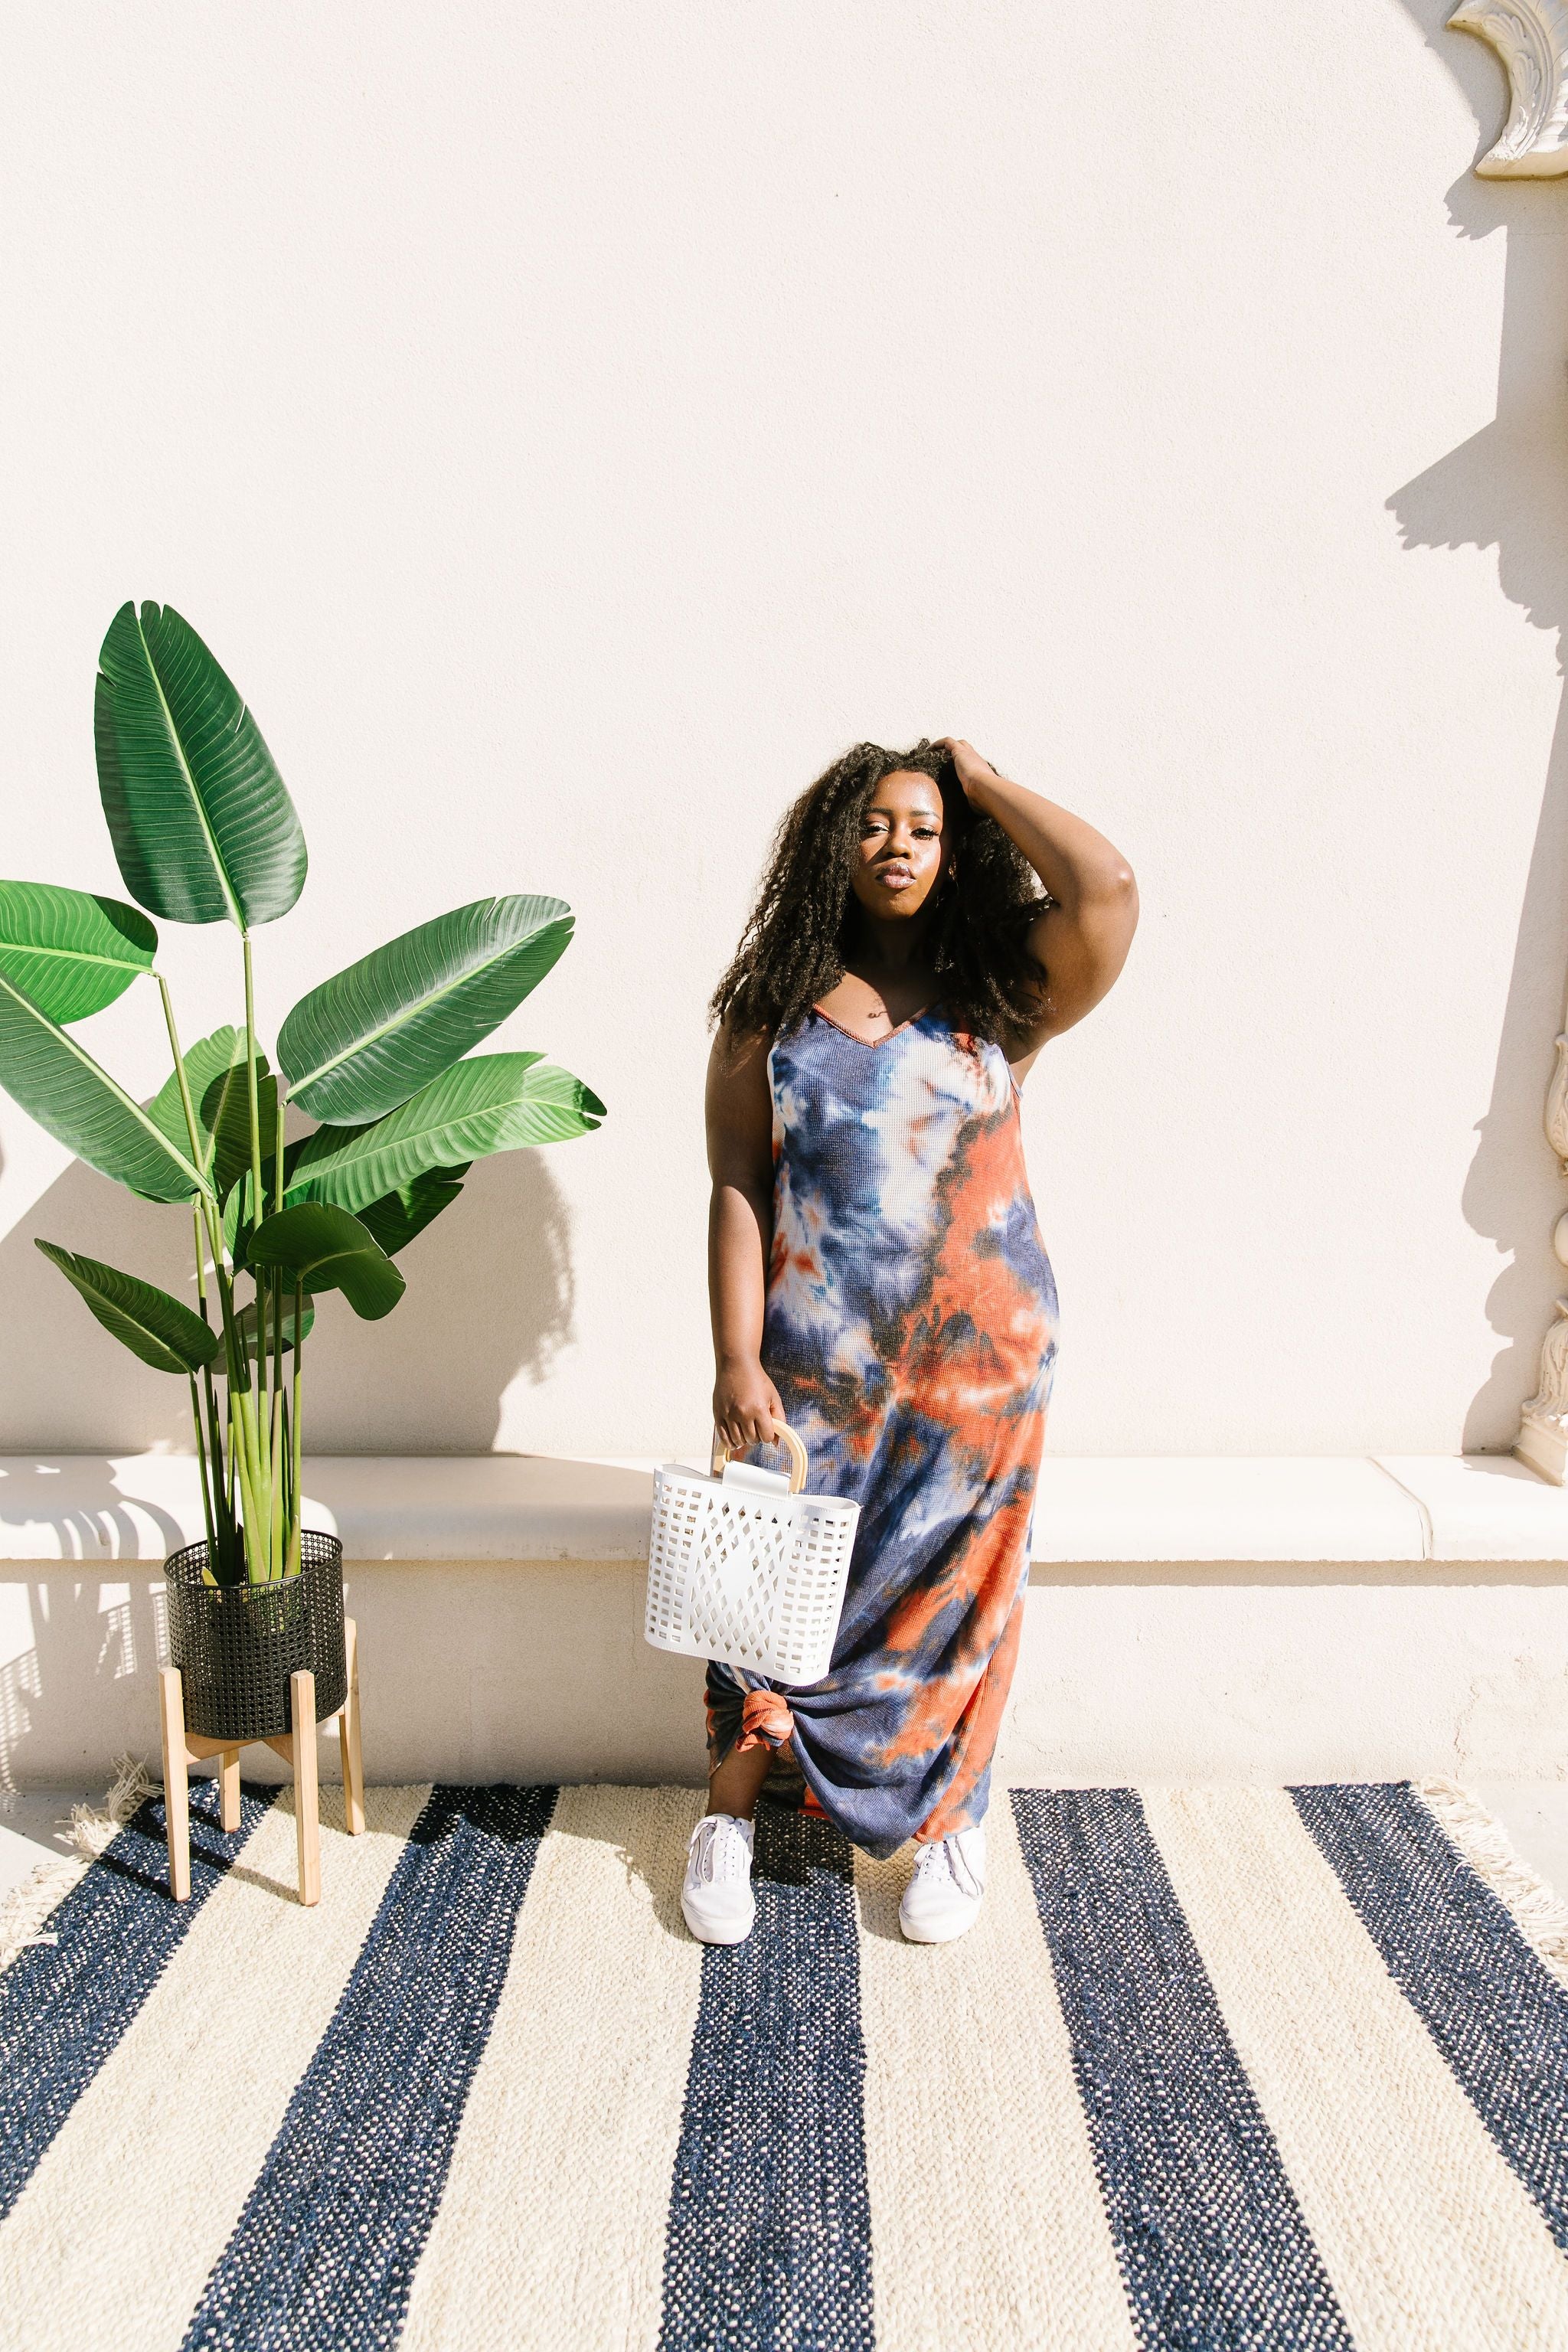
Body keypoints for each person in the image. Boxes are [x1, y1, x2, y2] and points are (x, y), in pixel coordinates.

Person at [684, 735, 1138, 1945]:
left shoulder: (1003, 991)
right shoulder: (769, 1010)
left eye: (926, 827)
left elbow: (1108, 893)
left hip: (977, 1374)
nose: (899, 846)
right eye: (877, 823)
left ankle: (953, 1825)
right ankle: (727, 1812)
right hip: (807, 1366)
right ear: (836, 842)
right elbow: (738, 1179)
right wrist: (735, 1356)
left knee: (961, 1600)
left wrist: (981, 781)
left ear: (957, 850)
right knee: (761, 1592)